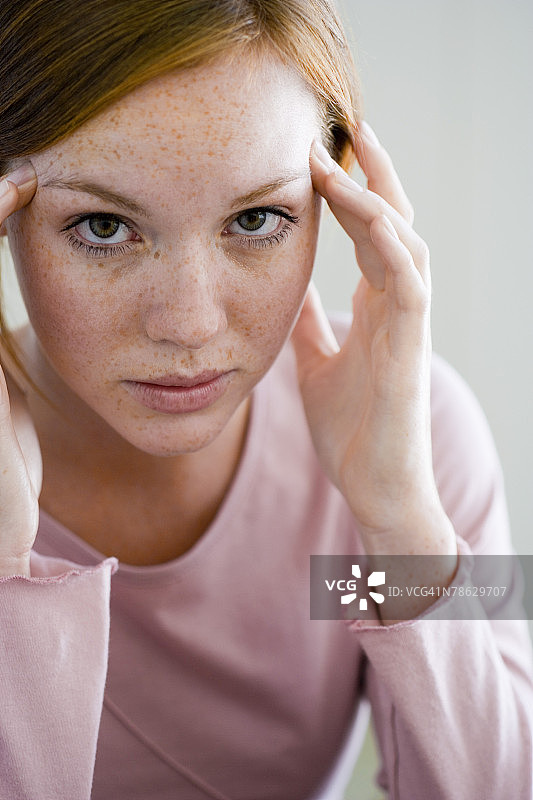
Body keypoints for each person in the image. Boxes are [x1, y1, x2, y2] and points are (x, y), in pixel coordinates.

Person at [0, 1, 531, 798]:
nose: (188, 324)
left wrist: (398, 522)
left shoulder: (423, 430)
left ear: (343, 201)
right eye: (104, 227)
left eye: (256, 218)